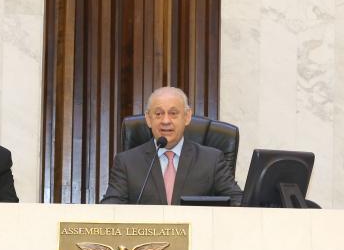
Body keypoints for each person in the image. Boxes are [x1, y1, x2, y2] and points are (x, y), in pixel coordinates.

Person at [102, 86, 242, 205]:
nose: (165, 121)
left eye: (173, 113)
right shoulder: (126, 163)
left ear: (187, 117)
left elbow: (239, 203)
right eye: (158, 114)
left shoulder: (211, 160)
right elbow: (109, 210)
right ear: (148, 119)